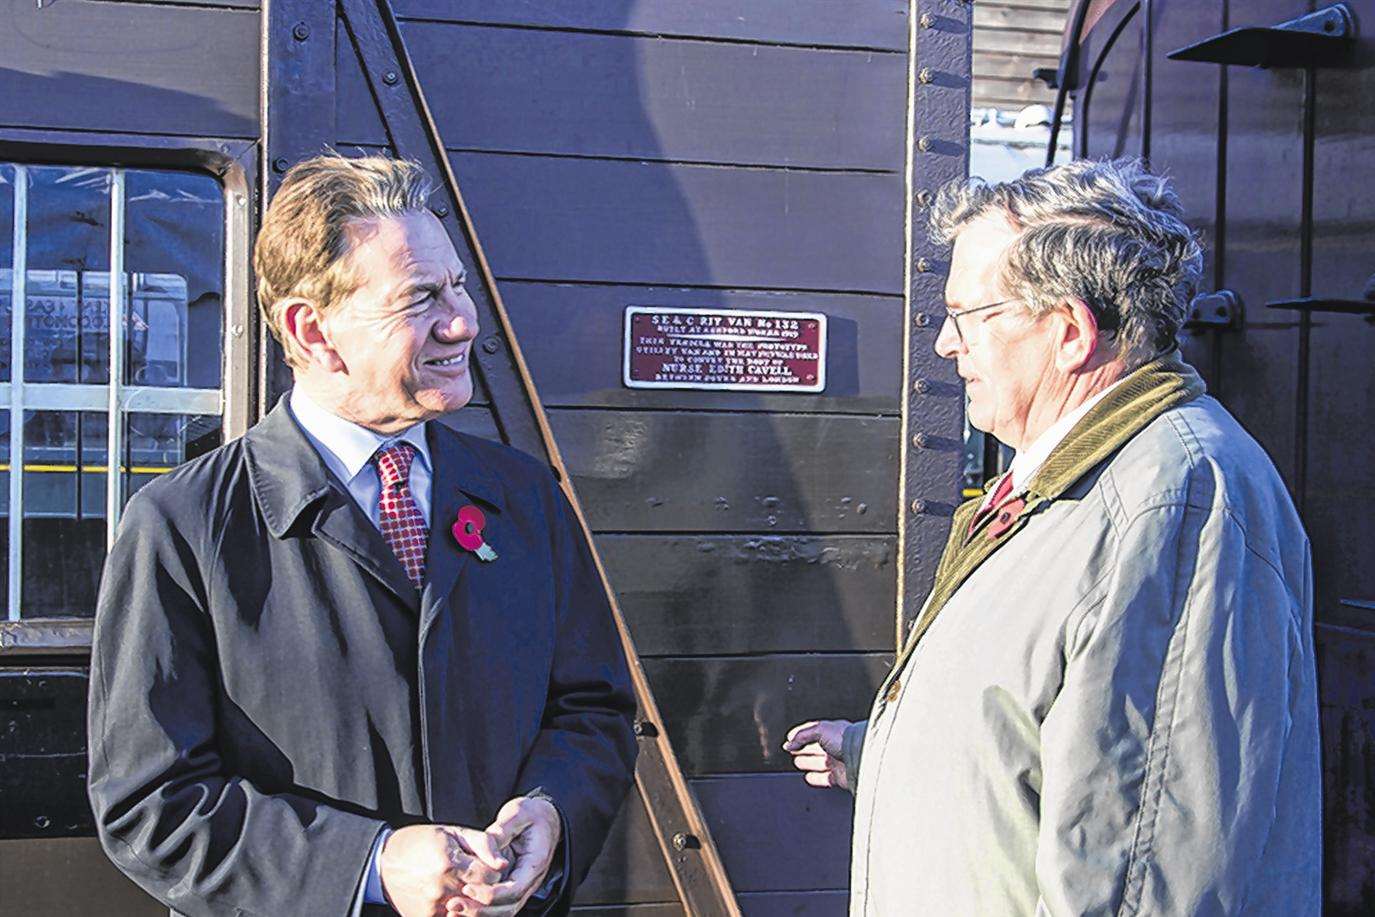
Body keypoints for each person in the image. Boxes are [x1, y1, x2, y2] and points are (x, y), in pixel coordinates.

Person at [87, 154, 637, 917]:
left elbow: (593, 710)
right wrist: (372, 864)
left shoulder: (524, 496)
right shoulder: (182, 525)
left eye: (457, 287)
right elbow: (151, 805)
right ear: (312, 330)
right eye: (419, 297)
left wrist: (552, 814)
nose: (462, 321)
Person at [785, 158, 1321, 915]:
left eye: (967, 315)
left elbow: (1142, 876)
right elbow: (1056, 736)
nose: (944, 344)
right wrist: (885, 749)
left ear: (1069, 331)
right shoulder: (1078, 485)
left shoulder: (1173, 505)